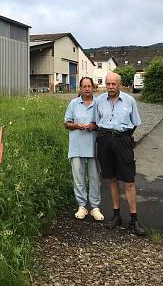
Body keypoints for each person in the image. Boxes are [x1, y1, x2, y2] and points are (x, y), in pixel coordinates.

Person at [94, 72, 145, 235]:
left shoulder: (130, 100)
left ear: (119, 84)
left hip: (123, 140)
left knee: (129, 181)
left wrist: (124, 138)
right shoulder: (99, 101)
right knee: (112, 179)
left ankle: (134, 219)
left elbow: (135, 123)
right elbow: (97, 121)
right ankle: (116, 216)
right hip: (105, 140)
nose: (110, 87)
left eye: (113, 84)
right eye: (107, 84)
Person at [64, 77, 104, 221]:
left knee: (94, 177)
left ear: (93, 87)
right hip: (76, 146)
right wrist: (77, 125)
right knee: (78, 178)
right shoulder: (74, 103)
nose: (87, 89)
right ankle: (82, 206)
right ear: (80, 88)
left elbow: (104, 122)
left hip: (93, 146)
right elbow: (66, 123)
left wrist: (94, 125)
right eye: (84, 86)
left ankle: (95, 207)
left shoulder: (99, 103)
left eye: (89, 86)